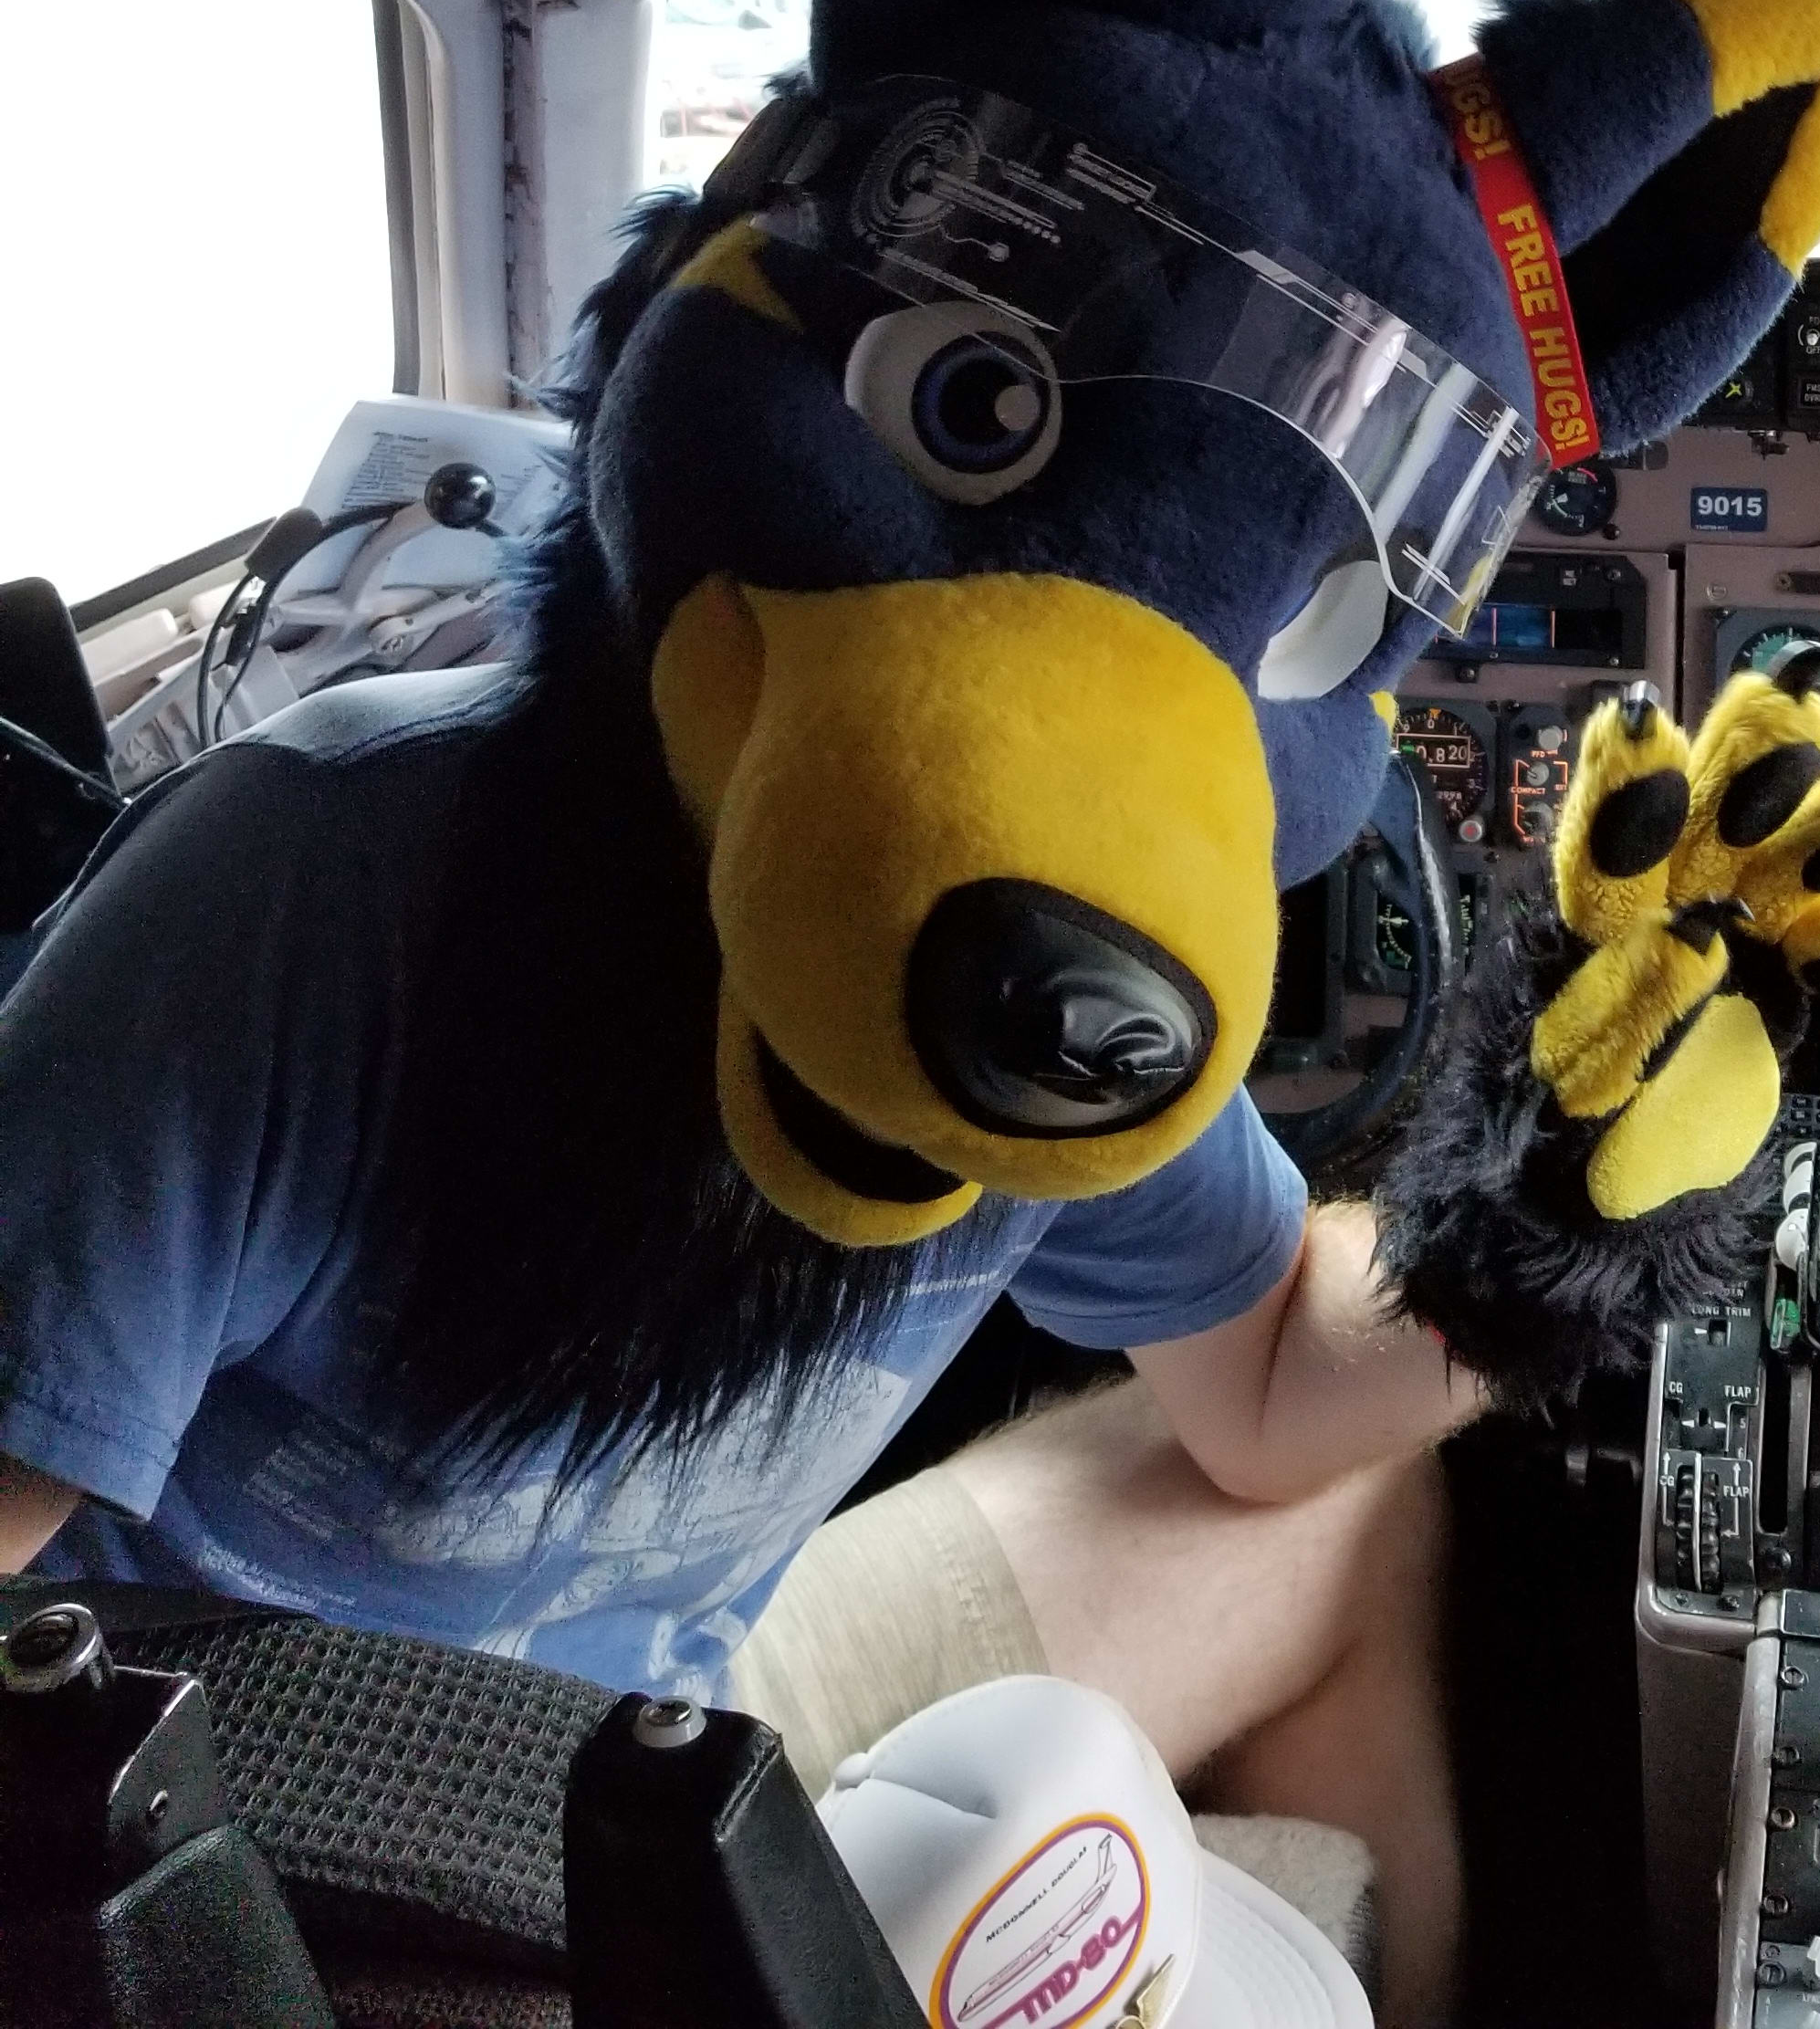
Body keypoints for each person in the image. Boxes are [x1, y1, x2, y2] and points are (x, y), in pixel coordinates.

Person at [0, 672, 1480, 2029]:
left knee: (1344, 1506)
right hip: (286, 1865)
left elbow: (1278, 1381)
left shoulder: (1083, 966)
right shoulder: (310, 883)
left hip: (680, 1725)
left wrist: (1557, 1203)